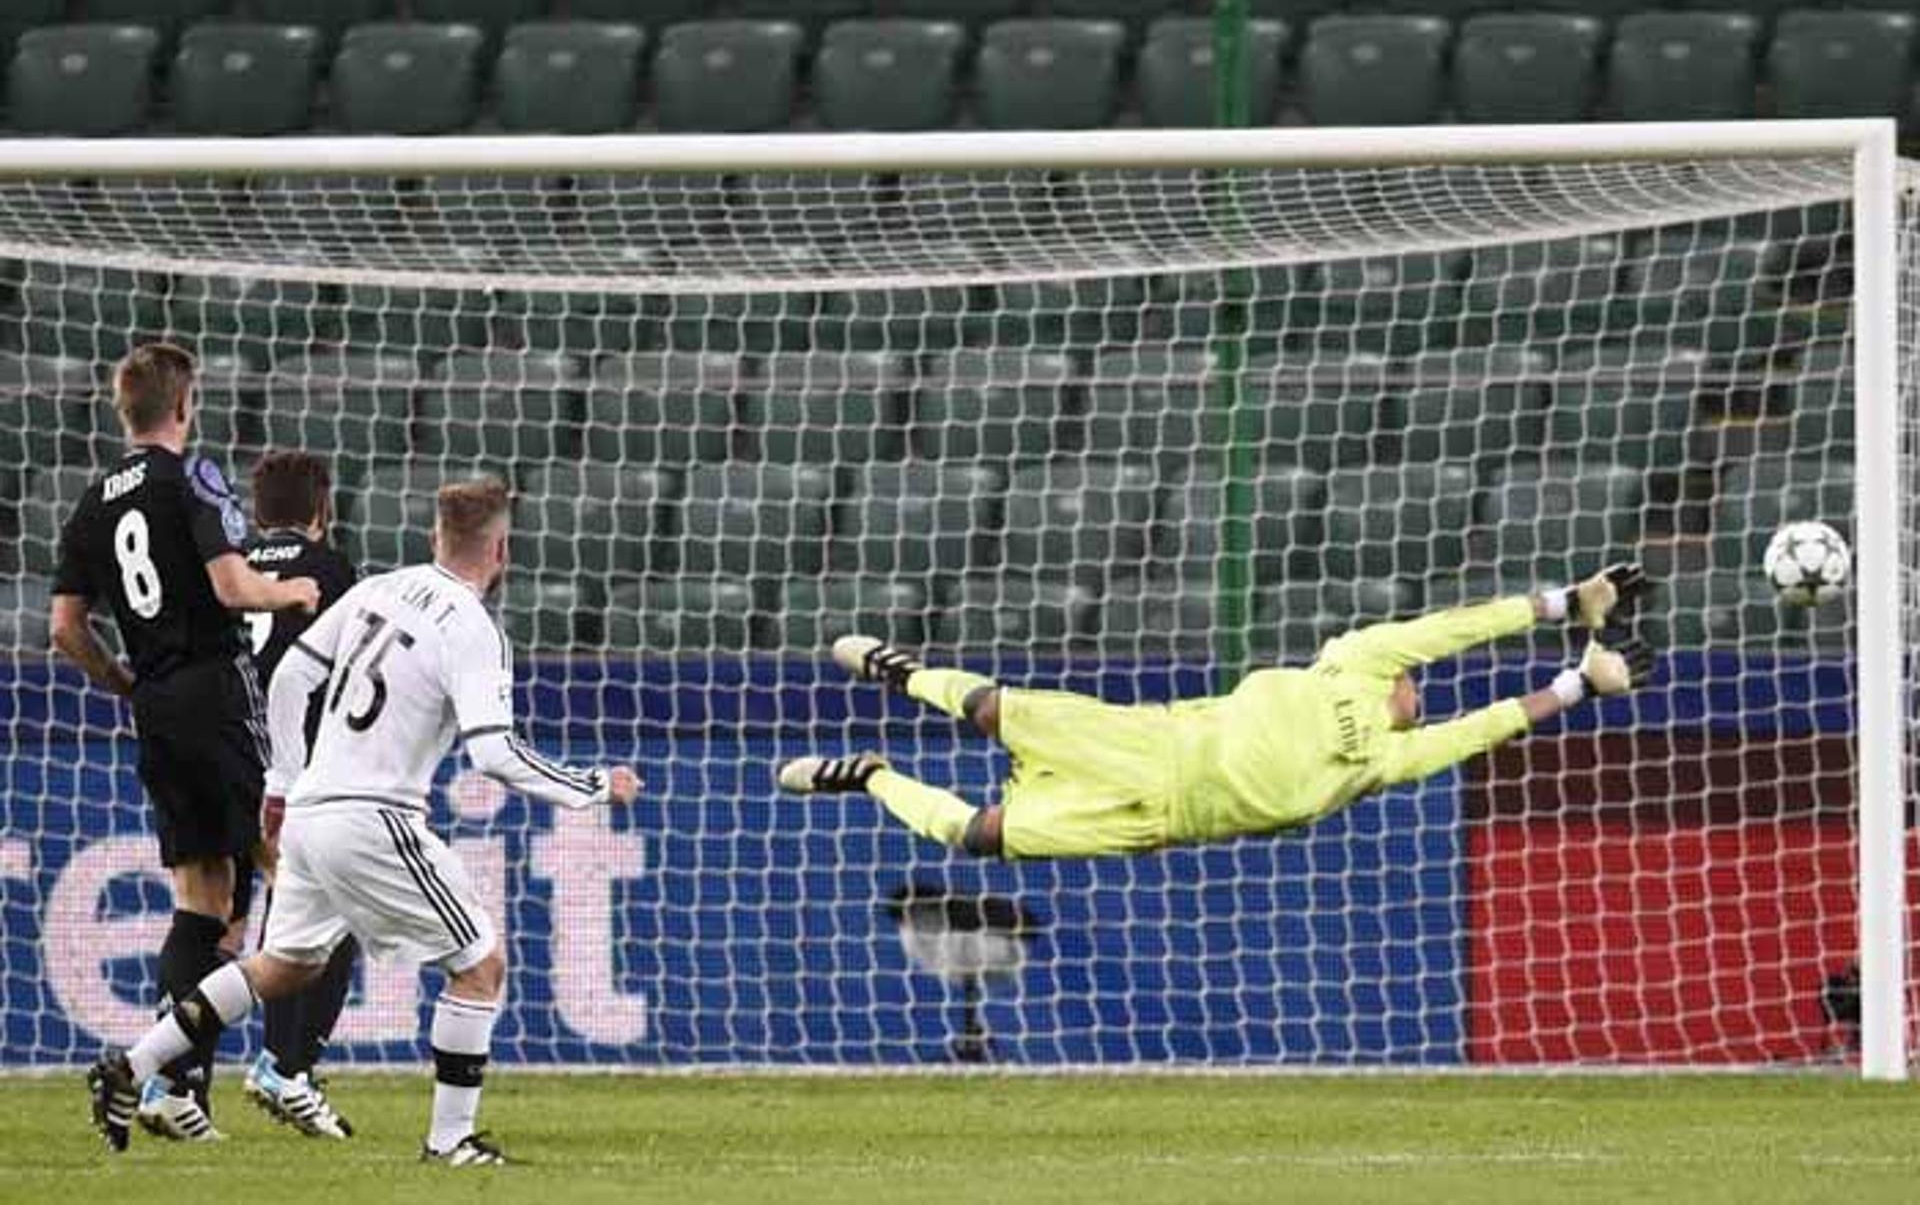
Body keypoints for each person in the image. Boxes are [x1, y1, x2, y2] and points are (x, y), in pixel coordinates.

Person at [87, 477, 641, 1167]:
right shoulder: (473, 627)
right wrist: (592, 787)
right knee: (480, 967)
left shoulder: (379, 588)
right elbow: (495, 752)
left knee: (282, 967)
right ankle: (451, 1142)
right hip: (374, 816)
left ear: (436, 537)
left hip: (313, 810)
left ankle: (131, 1068)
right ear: (501, 548)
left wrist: (284, 780)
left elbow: (290, 677)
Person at [779, 566, 1653, 860]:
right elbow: (1451, 628)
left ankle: (870, 776)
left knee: (977, 836)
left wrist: (1576, 686)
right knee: (989, 706)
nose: (1420, 692)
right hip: (1144, 737)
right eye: (1417, 683)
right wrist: (1558, 604)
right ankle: (904, 673)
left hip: (1156, 813)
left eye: (1418, 697)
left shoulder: (1383, 762)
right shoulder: (1354, 659)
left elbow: (1479, 729)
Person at [51, 343, 319, 1140]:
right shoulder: (193, 477)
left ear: (121, 409)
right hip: (216, 687)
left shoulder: (92, 501)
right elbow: (234, 586)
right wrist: (293, 588)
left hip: (157, 704)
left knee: (203, 901)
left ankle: (171, 1088)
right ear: (184, 404)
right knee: (293, 862)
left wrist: (122, 681)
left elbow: (66, 627)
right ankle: (281, 1066)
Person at [233, 450, 361, 1139]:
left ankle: (175, 1078)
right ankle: (287, 1067)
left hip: (226, 754)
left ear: (257, 510)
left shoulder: (228, 563)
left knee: (218, 924)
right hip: (300, 770)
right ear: (321, 509)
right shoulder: (332, 570)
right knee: (322, 919)